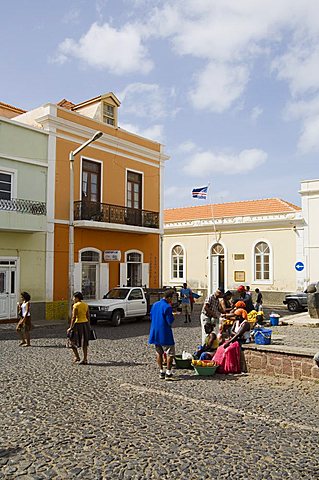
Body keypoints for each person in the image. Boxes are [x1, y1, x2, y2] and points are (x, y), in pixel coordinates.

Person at [149, 289, 176, 380]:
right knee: (170, 353)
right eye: (172, 298)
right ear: (168, 298)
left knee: (158, 352)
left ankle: (161, 371)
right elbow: (170, 321)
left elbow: (151, 316)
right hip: (164, 333)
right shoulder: (167, 307)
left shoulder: (155, 305)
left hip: (155, 332)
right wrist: (173, 315)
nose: (172, 300)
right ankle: (168, 373)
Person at [67, 291, 90, 365]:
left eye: (74, 297)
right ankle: (85, 359)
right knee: (85, 343)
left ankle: (77, 356)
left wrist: (70, 327)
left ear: (77, 298)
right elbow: (88, 316)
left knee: (72, 341)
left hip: (77, 325)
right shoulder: (86, 305)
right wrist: (88, 325)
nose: (73, 299)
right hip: (85, 324)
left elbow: (73, 317)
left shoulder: (75, 306)